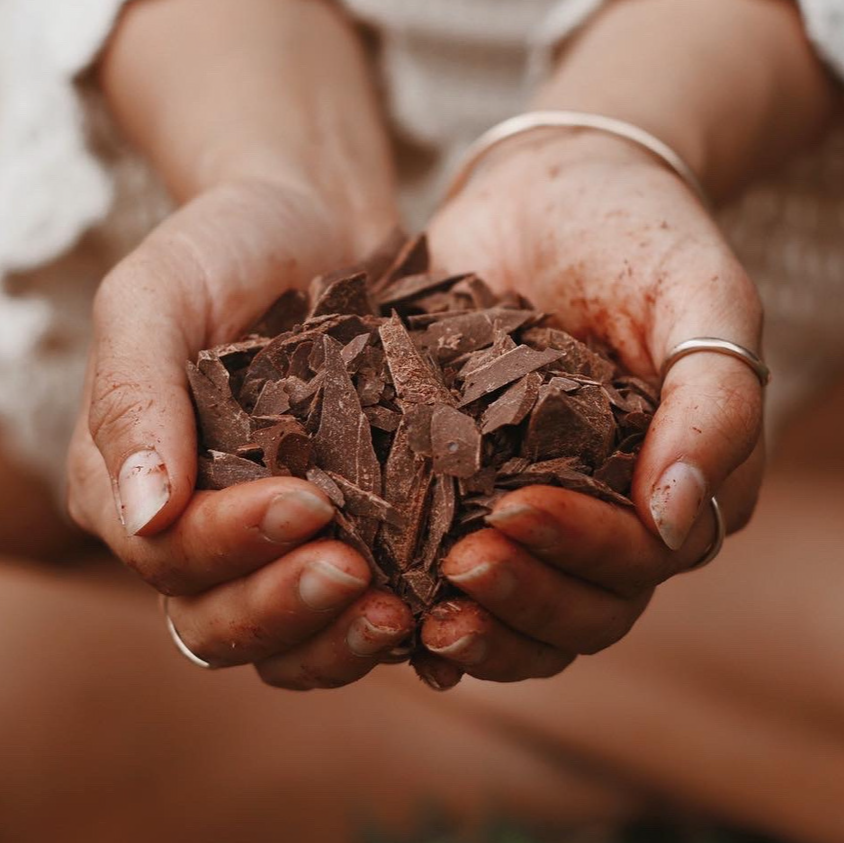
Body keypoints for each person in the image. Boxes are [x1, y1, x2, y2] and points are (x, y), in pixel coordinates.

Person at [0, 0, 842, 840]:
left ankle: (491, 751)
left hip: (742, 150)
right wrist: (276, 164)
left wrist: (607, 141)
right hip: (188, 114)